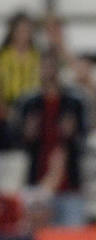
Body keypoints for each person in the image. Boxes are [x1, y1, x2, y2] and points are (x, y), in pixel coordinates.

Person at [11, 50, 87, 226]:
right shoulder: (28, 102)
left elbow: (84, 137)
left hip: (69, 184)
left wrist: (73, 133)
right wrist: (27, 134)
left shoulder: (74, 102)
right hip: (36, 183)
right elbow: (17, 141)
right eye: (44, 66)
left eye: (52, 66)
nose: (48, 71)